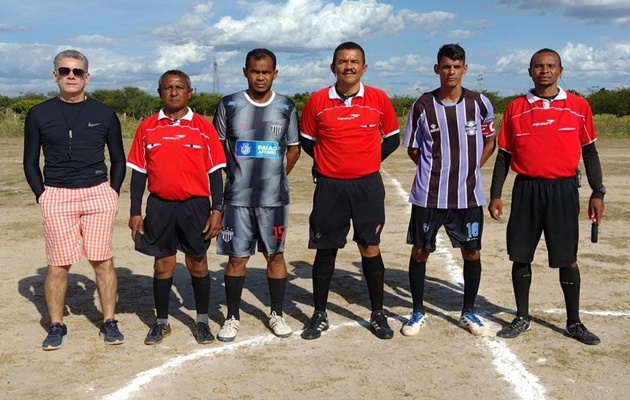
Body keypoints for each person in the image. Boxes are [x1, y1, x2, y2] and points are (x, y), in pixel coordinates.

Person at [488, 48, 604, 345]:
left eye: (551, 65)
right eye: (538, 66)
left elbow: (590, 153)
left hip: (563, 190)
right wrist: (496, 195)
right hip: (527, 189)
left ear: (560, 71)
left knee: (568, 258)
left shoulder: (579, 106)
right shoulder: (515, 108)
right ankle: (522, 317)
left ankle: (574, 322)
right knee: (521, 255)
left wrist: (597, 191)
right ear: (530, 72)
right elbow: (503, 156)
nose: (544, 70)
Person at [23, 49, 126, 350]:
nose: (71, 76)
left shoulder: (104, 113)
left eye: (77, 71)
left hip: (97, 193)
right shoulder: (39, 113)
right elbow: (30, 161)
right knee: (58, 264)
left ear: (87, 77)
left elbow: (118, 159)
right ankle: (56, 325)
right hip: (56, 193)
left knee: (102, 261)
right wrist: (42, 195)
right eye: (65, 71)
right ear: (55, 75)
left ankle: (109, 321)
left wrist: (113, 190)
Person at [299, 41, 400, 340]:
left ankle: (378, 313)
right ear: (333, 67)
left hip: (367, 186)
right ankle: (319, 314)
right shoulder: (318, 101)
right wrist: (327, 163)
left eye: (355, 61)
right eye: (343, 61)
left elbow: (392, 139)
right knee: (326, 247)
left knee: (369, 246)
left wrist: (366, 162)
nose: (349, 66)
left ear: (364, 67)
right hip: (330, 187)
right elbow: (307, 140)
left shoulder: (378, 99)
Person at [401, 44, 496, 338]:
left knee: (472, 251)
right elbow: (413, 149)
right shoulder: (422, 106)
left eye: (456, 67)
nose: (451, 72)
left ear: (464, 69)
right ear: (437, 69)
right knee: (420, 251)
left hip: (468, 195)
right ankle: (417, 311)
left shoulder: (480, 103)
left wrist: (470, 169)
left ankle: (468, 311)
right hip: (429, 195)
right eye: (445, 66)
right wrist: (436, 170)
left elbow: (490, 142)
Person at [127, 70, 227, 345]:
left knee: (197, 263)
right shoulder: (147, 127)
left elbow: (215, 172)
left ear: (189, 92)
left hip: (195, 206)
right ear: (160, 93)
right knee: (163, 265)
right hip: (160, 206)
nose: (174, 92)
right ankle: (161, 322)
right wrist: (135, 210)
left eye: (179, 87)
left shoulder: (203, 128)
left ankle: (202, 321)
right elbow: (138, 173)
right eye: (168, 87)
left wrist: (217, 210)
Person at [212, 49, 300, 342]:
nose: (260, 77)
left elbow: (293, 149)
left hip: (274, 199)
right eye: (254, 71)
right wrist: (238, 176)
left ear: (275, 73)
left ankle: (277, 313)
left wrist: (275, 176)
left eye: (266, 72)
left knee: (275, 254)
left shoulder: (286, 106)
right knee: (237, 258)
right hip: (237, 198)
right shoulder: (229, 104)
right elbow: (219, 150)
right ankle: (232, 317)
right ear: (245, 71)